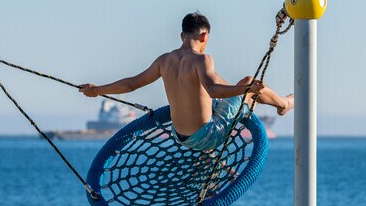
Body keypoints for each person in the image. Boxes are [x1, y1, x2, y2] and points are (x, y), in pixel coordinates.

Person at [79, 12, 294, 152]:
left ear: (182, 35)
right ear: (203, 37)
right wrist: (246, 88)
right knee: (248, 82)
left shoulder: (164, 61)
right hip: (207, 136)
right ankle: (283, 104)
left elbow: (130, 85)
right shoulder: (202, 59)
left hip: (179, 136)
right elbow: (212, 90)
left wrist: (97, 90)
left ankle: (250, 103)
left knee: (224, 81)